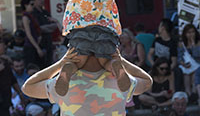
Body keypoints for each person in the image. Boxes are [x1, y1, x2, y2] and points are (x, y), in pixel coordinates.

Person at [40, 0, 168, 96]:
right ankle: (116, 67)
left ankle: (67, 70)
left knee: (77, 59)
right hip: (104, 30)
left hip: (81, 30)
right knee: (106, 59)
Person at [22, 47, 153, 116]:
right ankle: (111, 62)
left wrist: (61, 64)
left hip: (72, 79)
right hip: (105, 41)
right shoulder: (119, 82)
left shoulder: (64, 84)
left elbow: (28, 88)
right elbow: (147, 81)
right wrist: (121, 61)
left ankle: (75, 61)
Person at [31, 0, 61, 67]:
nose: (41, 0)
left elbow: (54, 26)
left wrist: (48, 27)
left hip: (49, 42)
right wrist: (47, 27)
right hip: (40, 44)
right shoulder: (33, 13)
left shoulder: (45, 12)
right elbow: (39, 28)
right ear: (34, 1)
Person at [0, 38, 25, 116]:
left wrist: (20, 94)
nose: (4, 46)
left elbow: (12, 80)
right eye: (2, 45)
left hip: (5, 101)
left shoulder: (5, 61)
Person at [21, 0, 45, 68]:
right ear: (26, 5)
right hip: (30, 46)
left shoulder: (32, 16)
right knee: (31, 68)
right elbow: (28, 34)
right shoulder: (25, 17)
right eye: (31, 4)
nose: (33, 6)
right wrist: (37, 48)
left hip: (35, 44)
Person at [177, 24, 200, 101]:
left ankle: (194, 94)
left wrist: (193, 44)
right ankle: (189, 95)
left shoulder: (198, 43)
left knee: (194, 74)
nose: (191, 34)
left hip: (197, 64)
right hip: (186, 65)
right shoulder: (181, 44)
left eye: (192, 32)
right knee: (186, 75)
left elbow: (197, 55)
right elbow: (179, 56)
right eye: (188, 32)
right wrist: (182, 63)